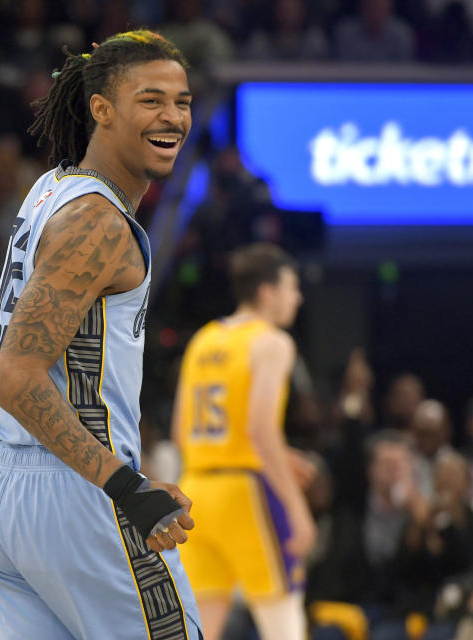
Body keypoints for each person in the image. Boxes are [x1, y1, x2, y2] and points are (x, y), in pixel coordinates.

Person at [0, 30, 202, 639]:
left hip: (2, 490)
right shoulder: (96, 221)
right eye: (151, 100)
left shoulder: (52, 188)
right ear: (102, 108)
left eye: (182, 101)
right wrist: (125, 486)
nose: (172, 116)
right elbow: (17, 377)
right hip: (74, 495)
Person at [173, 243, 314, 640]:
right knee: (284, 623)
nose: (297, 297)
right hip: (244, 493)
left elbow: (182, 433)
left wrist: (278, 455)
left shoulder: (204, 339)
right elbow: (260, 429)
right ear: (268, 292)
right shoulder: (272, 342)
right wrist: (296, 506)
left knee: (199, 628)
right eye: (292, 287)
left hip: (196, 490)